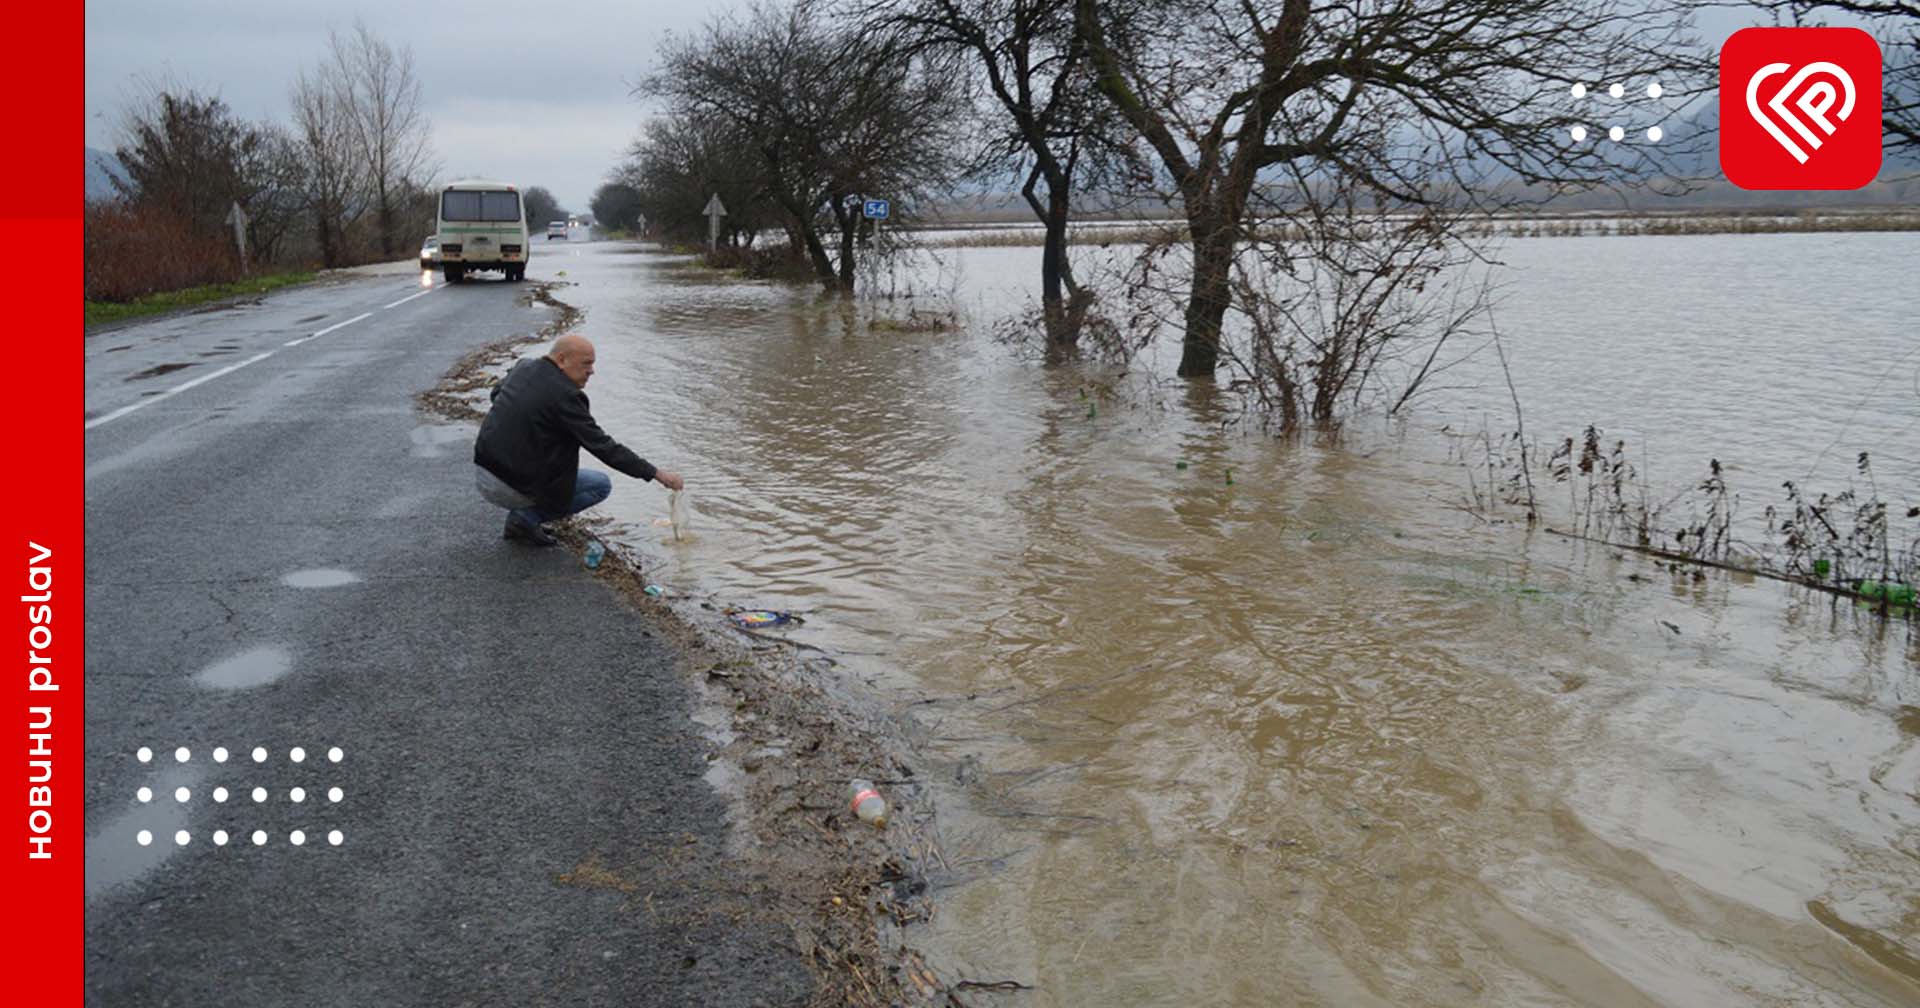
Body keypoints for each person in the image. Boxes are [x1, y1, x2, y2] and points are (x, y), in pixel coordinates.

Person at [473, 334, 683, 546]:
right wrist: (657, 474)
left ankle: (524, 514)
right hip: (507, 487)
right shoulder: (566, 396)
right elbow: (604, 447)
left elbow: (496, 394)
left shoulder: (523, 367)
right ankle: (525, 518)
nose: (591, 371)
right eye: (586, 364)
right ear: (562, 360)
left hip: (483, 470)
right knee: (599, 485)